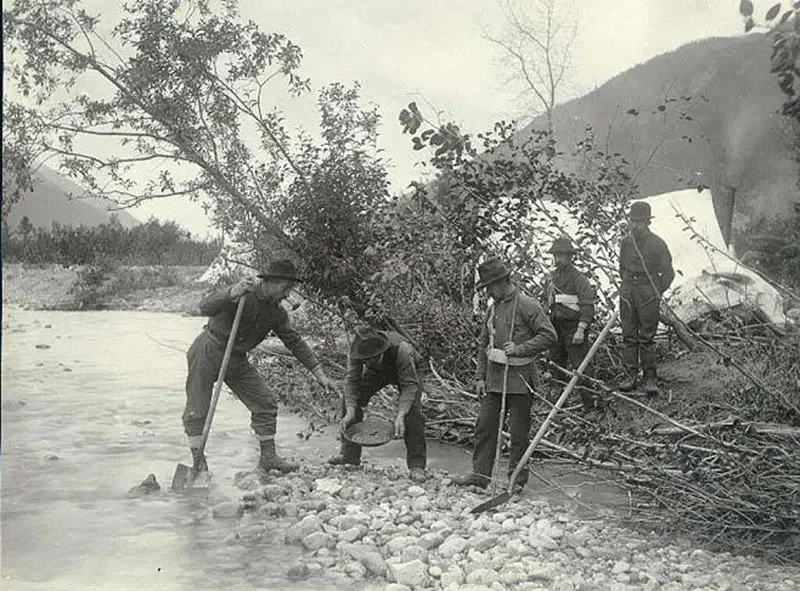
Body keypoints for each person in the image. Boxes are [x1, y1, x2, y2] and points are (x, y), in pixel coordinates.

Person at [183, 259, 339, 475]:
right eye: (286, 288)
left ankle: (268, 458)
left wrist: (319, 373)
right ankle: (198, 463)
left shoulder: (276, 313)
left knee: (265, 402)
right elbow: (204, 307)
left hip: (236, 357)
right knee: (196, 410)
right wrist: (230, 292)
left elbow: (295, 342)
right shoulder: (243, 294)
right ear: (271, 282)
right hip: (209, 349)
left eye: (290, 289)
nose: (287, 294)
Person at [453, 257, 557, 491]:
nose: (488, 292)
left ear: (502, 282)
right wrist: (480, 377)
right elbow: (483, 344)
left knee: (519, 433)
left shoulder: (527, 305)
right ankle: (481, 475)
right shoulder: (493, 308)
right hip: (494, 381)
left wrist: (520, 349)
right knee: (484, 426)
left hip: (520, 381)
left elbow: (549, 335)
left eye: (490, 287)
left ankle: (516, 481)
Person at [329, 327, 428, 483]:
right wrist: (350, 411)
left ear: (381, 351)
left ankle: (417, 465)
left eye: (371, 359)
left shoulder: (402, 349)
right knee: (352, 400)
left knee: (413, 413)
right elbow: (352, 382)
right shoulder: (357, 350)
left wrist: (401, 414)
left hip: (409, 370)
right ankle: (349, 456)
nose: (367, 362)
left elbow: (409, 385)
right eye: (365, 360)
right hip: (377, 373)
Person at [618, 201, 675, 395]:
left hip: (647, 291)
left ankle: (650, 378)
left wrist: (655, 292)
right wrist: (627, 288)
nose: (634, 226)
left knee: (647, 337)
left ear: (647, 222)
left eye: (639, 222)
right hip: (628, 292)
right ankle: (630, 376)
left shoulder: (658, 244)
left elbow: (668, 273)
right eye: (632, 221)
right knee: (628, 335)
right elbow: (621, 268)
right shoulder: (626, 242)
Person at [545, 237, 598, 410]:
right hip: (557, 327)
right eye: (556, 255)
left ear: (569, 257)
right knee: (556, 364)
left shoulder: (578, 278)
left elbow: (588, 305)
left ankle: (591, 405)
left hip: (573, 327)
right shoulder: (554, 277)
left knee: (580, 366)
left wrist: (581, 329)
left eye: (561, 255)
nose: (558, 259)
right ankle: (558, 406)